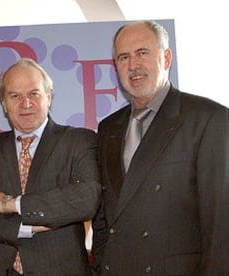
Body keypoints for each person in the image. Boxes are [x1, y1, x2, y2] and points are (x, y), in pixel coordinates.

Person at [91, 20, 229, 275]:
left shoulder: (209, 119)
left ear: (166, 58)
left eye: (142, 53)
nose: (133, 66)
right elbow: (104, 214)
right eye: (123, 57)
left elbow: (222, 223)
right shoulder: (108, 127)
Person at [0, 58, 101, 275]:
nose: (25, 103)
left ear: (49, 98)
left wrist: (13, 204)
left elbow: (85, 199)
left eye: (34, 93)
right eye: (15, 96)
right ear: (4, 104)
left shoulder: (79, 141)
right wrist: (25, 228)